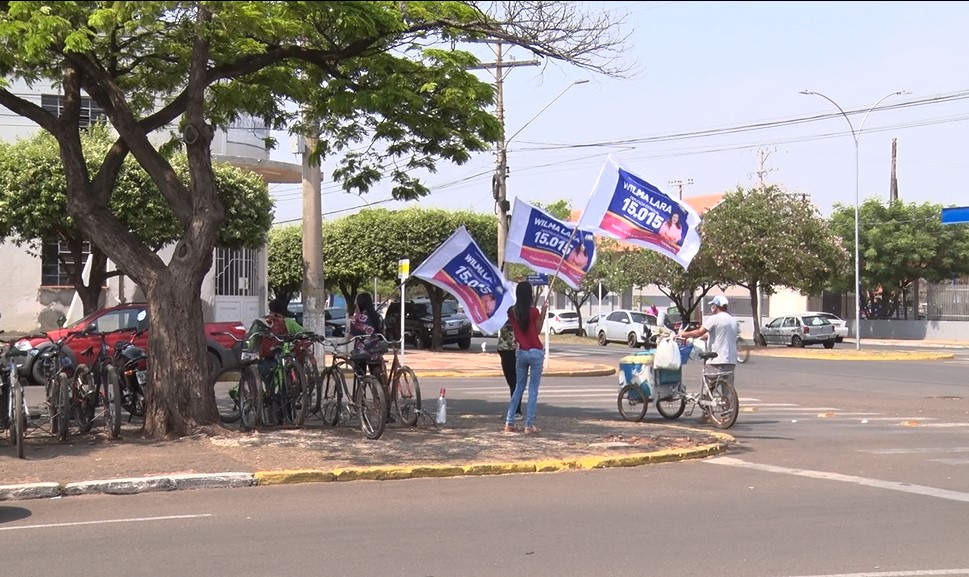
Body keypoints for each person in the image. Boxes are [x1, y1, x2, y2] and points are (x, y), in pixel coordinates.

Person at [504, 281, 548, 434]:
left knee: (518, 388)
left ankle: (509, 422)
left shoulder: (511, 312)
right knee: (533, 390)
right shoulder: (534, 311)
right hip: (535, 352)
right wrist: (543, 313)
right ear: (530, 295)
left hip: (520, 352)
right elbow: (537, 331)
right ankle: (528, 425)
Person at [677, 295, 738, 390]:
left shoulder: (714, 319)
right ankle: (730, 404)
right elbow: (724, 334)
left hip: (717, 360)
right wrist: (708, 336)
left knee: (708, 378)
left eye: (713, 305)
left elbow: (698, 332)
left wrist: (683, 333)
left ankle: (708, 398)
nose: (712, 307)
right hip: (731, 361)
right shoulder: (733, 320)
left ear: (716, 306)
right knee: (728, 389)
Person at [348, 292, 384, 377]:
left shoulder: (357, 318)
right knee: (376, 377)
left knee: (361, 376)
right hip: (375, 351)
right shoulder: (378, 317)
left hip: (361, 353)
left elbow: (351, 337)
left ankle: (361, 388)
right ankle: (377, 388)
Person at [496, 319, 522, 420]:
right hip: (505, 350)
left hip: (511, 350)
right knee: (512, 382)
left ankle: (516, 411)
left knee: (514, 382)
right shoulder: (502, 314)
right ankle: (514, 410)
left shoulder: (513, 315)